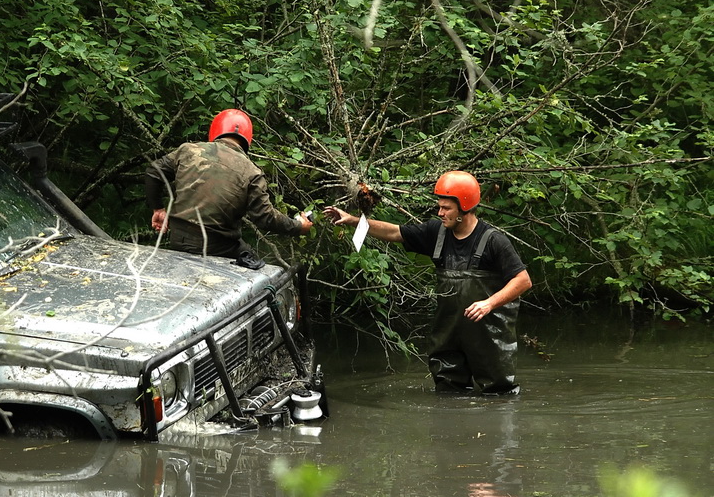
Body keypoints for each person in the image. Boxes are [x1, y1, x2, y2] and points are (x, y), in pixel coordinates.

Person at [324, 171, 531, 395]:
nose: (440, 213)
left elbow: (523, 280)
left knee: (498, 397)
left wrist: (489, 303)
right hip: (448, 335)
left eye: (446, 208)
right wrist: (354, 221)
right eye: (439, 207)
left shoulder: (494, 241)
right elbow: (395, 232)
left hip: (489, 337)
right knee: (448, 392)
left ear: (465, 207)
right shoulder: (436, 233)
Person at [145, 108, 312, 265]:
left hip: (178, 239)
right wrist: (298, 227)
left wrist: (157, 209)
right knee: (254, 263)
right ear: (247, 139)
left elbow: (154, 171)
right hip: (219, 246)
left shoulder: (189, 150)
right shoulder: (251, 172)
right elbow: (265, 217)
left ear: (216, 130)